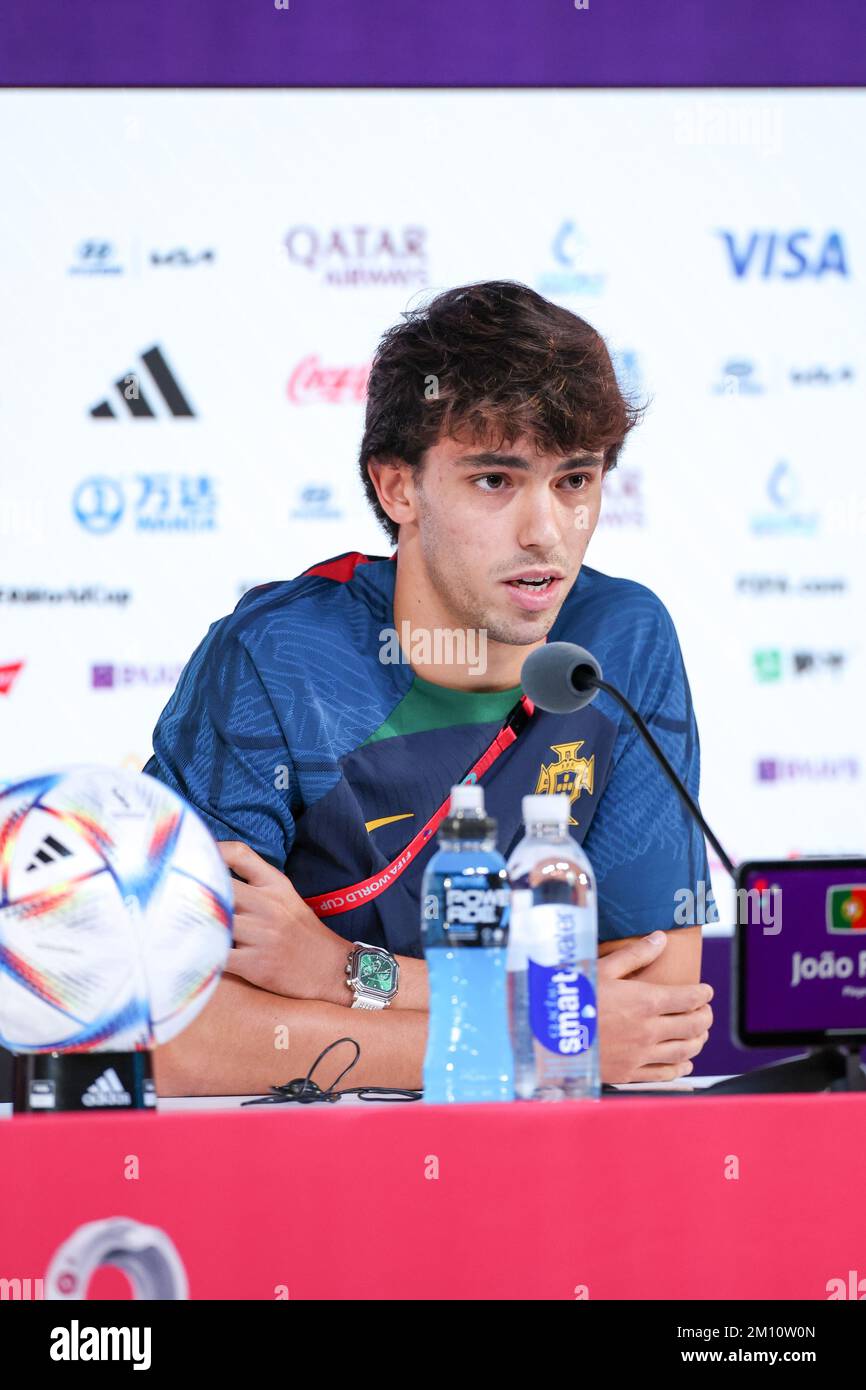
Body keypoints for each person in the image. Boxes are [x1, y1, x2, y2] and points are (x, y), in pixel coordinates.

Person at [146, 280, 714, 1096]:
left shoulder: (623, 641)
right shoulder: (279, 656)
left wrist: (343, 973)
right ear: (397, 488)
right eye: (495, 481)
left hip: (543, 1168)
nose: (545, 532)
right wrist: (532, 1037)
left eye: (575, 482)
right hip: (315, 1171)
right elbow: (180, 1035)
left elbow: (655, 1013)